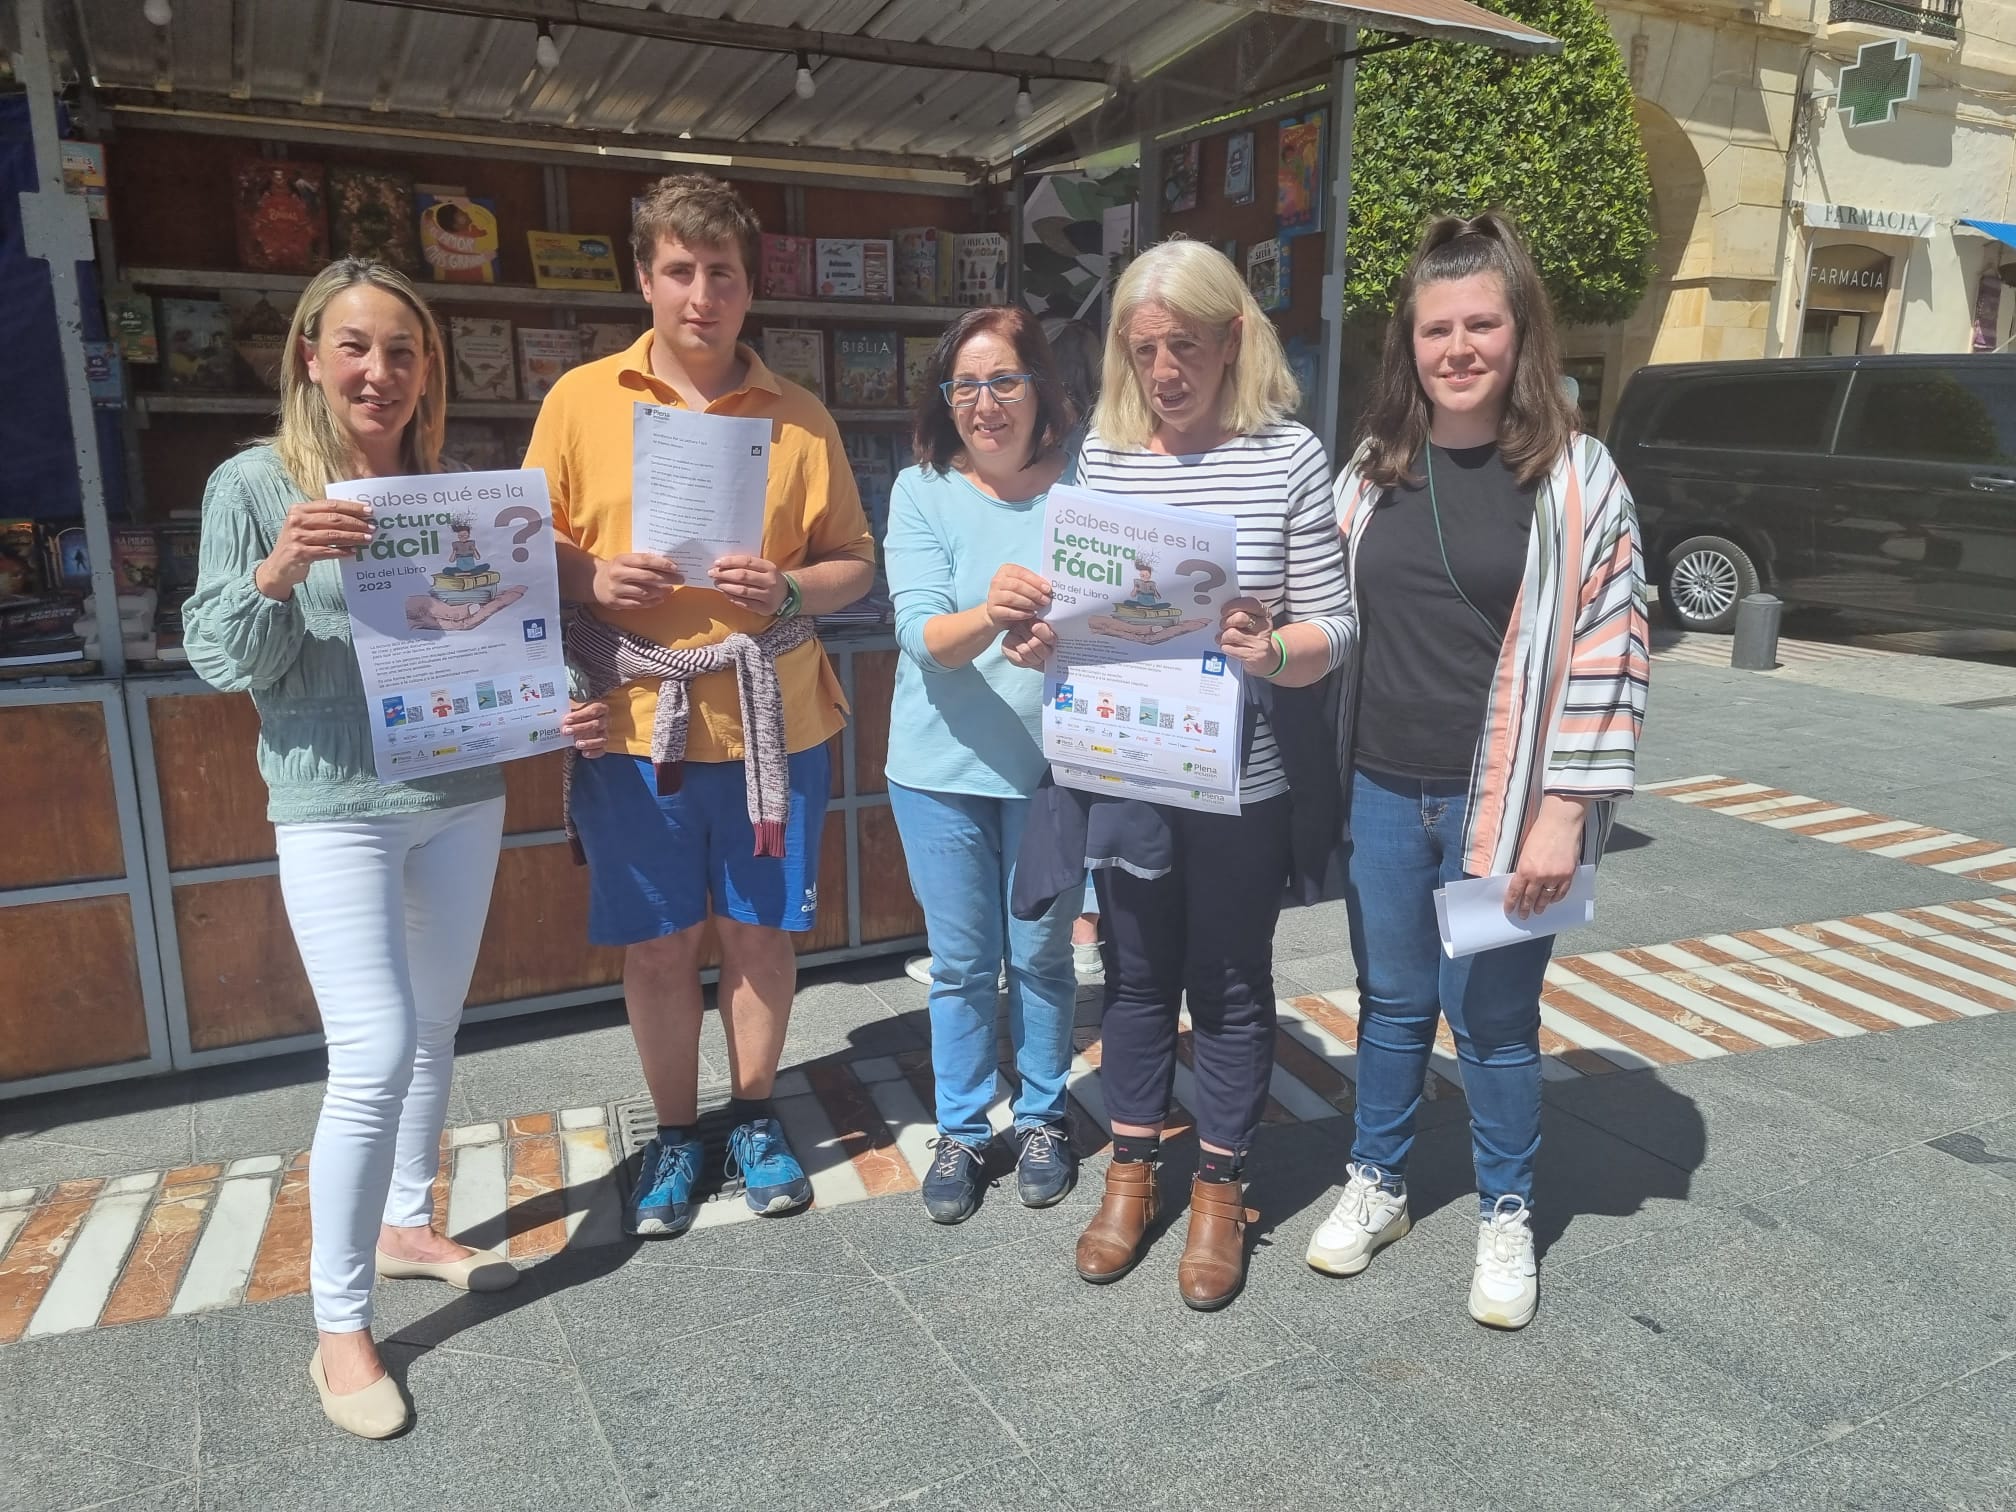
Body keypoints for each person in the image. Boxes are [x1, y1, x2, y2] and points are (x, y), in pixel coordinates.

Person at [181, 258, 609, 1439]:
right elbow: (221, 660)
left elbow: (488, 639)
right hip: (333, 806)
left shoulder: (452, 491)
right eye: (357, 347)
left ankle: (411, 1222)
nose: (381, 372)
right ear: (311, 354)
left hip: (459, 794)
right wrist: (280, 569)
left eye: (404, 351)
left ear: (427, 373)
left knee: (430, 1029)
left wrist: (547, 703)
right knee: (369, 1051)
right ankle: (338, 1325)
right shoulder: (257, 484)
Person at [1304, 212, 1648, 1330]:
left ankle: (1508, 1208)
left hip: (1509, 806)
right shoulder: (1368, 474)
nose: (1457, 347)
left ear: (1520, 332)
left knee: (1494, 1016)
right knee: (1394, 1003)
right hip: (1381, 787)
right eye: (1436, 327)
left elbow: (1613, 651)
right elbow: (1323, 616)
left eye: (1481, 324)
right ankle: (1381, 1181)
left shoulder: (1579, 480)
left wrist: (1566, 813)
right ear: (1408, 340)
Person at [525, 175, 877, 1239]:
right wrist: (587, 580)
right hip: (637, 726)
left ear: (748, 282)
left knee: (763, 935)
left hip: (779, 719)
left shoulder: (799, 415)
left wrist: (786, 590)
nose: (700, 294)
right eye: (678, 269)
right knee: (662, 944)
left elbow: (854, 566)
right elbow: (522, 548)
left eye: (721, 271)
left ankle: (756, 1111)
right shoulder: (581, 401)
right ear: (644, 277)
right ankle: (678, 1134)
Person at [1006, 240, 1352, 1310]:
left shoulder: (1290, 456)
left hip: (1243, 778)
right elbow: (1079, 617)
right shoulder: (1105, 461)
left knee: (1234, 982)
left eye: (1185, 347)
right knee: (1141, 980)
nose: (1164, 372)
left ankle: (1220, 1186)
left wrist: (1273, 651)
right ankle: (1130, 1171)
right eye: (1144, 349)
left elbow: (1335, 625)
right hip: (1131, 768)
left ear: (1232, 339)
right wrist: (1037, 640)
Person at [883, 307, 1083, 1224]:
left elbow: (1131, 608)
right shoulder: (922, 491)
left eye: (1004, 380)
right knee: (963, 963)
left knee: (1043, 956)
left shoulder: (1089, 481)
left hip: (1055, 767)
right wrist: (994, 617)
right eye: (964, 385)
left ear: (1041, 385)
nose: (985, 403)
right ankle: (962, 1127)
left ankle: (1043, 1114)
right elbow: (922, 636)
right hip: (938, 768)